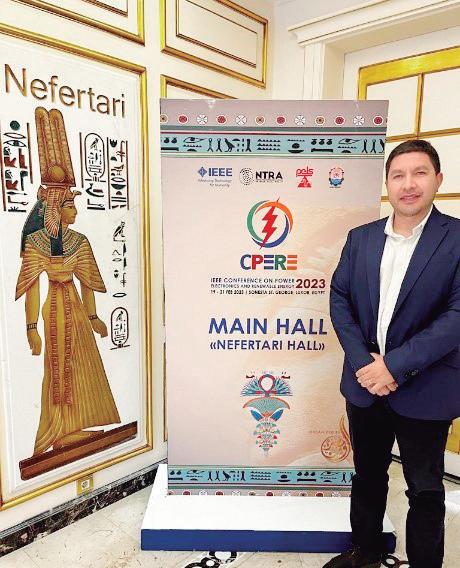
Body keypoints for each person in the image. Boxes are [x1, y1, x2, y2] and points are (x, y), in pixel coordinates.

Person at [325, 140, 460, 568]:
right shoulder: (361, 238)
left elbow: (457, 315)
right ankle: (364, 552)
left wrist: (394, 366)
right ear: (387, 183)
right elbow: (340, 298)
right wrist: (365, 365)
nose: (408, 184)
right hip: (365, 385)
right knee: (367, 475)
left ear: (438, 179)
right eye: (398, 175)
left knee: (424, 488)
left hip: (427, 386)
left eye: (420, 173)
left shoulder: (457, 238)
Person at [16, 107, 121, 456]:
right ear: (55, 208)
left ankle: (77, 426)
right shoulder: (36, 242)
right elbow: (32, 286)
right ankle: (57, 432)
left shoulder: (80, 241)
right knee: (58, 367)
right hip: (55, 310)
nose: (75, 211)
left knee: (82, 365)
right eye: (70, 206)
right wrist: (31, 328)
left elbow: (87, 281)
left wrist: (94, 317)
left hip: (75, 308)